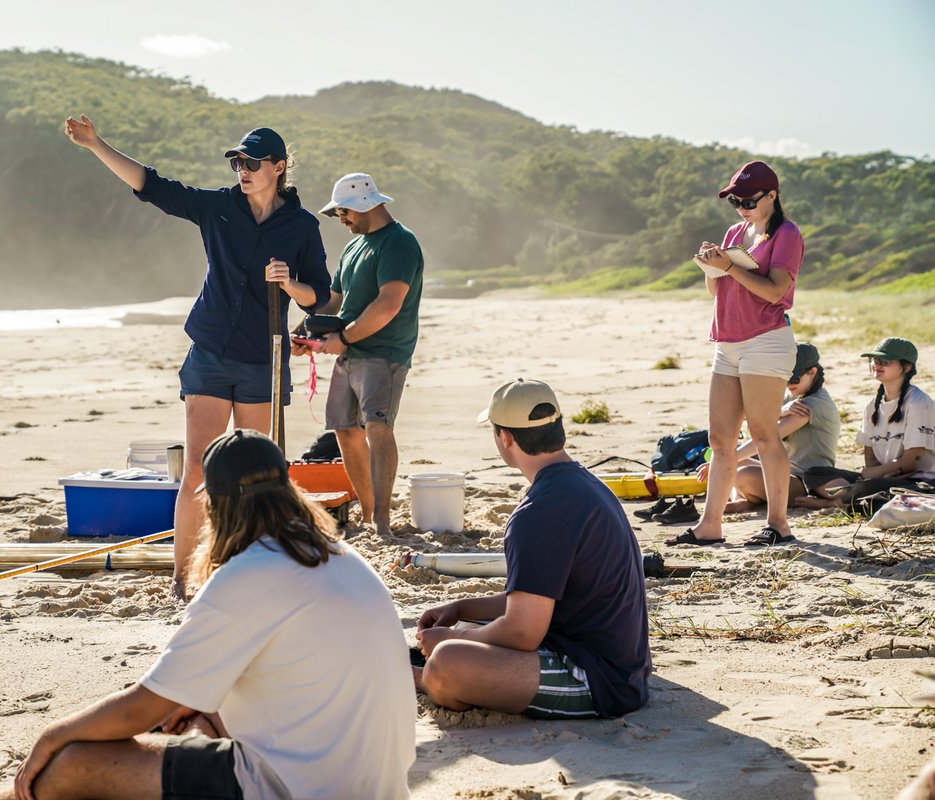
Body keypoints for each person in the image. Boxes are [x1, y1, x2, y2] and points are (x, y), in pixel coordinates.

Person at [0, 429, 416, 800]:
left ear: (215, 507)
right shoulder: (337, 555)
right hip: (375, 785)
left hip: (296, 787)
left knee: (72, 764)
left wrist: (51, 735)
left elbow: (142, 709)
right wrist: (201, 707)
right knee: (203, 716)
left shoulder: (249, 574)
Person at [64, 117, 331, 598]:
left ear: (279, 167)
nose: (241, 170)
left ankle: (251, 570)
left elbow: (320, 296)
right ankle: (183, 578)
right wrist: (96, 144)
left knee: (257, 475)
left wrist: (290, 284)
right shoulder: (218, 207)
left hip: (261, 360)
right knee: (199, 472)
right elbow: (153, 186)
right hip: (210, 351)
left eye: (251, 163)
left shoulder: (302, 226)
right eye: (237, 162)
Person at [413, 379, 651, 720]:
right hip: (620, 662)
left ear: (505, 437)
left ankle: (420, 680)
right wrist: (463, 607)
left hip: (598, 680)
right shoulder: (583, 483)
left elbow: (524, 631)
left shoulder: (537, 513)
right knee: (463, 635)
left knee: (448, 661)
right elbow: (537, 600)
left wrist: (449, 637)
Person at [667, 160, 805, 548]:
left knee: (763, 434)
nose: (742, 207)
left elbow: (776, 292)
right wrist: (712, 267)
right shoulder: (735, 232)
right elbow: (717, 292)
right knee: (720, 437)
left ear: (772, 196)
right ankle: (710, 525)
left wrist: (731, 265)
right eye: (735, 201)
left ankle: (778, 525)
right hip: (727, 342)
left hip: (766, 340)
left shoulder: (787, 234)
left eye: (749, 200)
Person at [292, 173, 423, 535]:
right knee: (345, 431)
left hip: (384, 352)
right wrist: (306, 333)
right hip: (347, 352)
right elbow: (336, 301)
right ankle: (368, 516)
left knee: (378, 427)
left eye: (343, 213)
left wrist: (345, 339)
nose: (341, 220)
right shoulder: (354, 247)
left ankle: (382, 520)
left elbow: (388, 304)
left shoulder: (399, 242)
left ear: (364, 205)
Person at [696, 342, 840, 512]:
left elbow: (768, 435)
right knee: (738, 464)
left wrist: (725, 460)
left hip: (806, 482)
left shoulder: (812, 405)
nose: (789, 385)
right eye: (785, 378)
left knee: (738, 471)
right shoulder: (793, 398)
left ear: (812, 372)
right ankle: (743, 499)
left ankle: (747, 498)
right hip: (786, 472)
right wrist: (781, 411)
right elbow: (755, 428)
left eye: (794, 379)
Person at [796, 337, 935, 510]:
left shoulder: (918, 403)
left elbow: (911, 462)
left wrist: (872, 475)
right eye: (874, 360)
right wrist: (875, 473)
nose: (877, 365)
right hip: (881, 477)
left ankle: (835, 503)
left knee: (870, 487)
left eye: (885, 361)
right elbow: (870, 458)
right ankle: (854, 497)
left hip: (918, 481)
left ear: (906, 367)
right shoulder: (872, 406)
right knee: (814, 473)